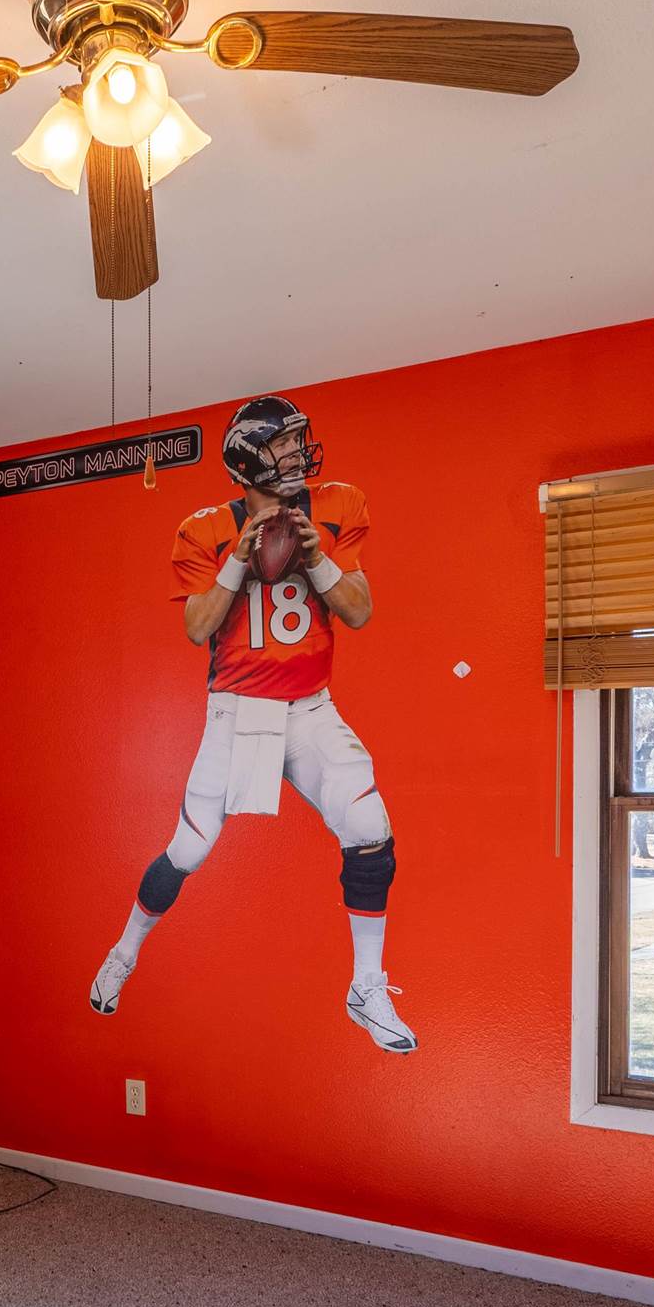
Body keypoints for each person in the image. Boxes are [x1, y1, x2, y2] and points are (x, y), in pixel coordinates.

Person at [89, 394, 415, 1052]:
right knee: (189, 849)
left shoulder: (337, 505)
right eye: (284, 443)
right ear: (247, 460)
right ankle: (124, 951)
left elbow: (357, 612)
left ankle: (366, 986)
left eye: (298, 439)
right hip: (238, 710)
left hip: (311, 706)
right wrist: (238, 558)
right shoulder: (206, 528)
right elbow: (197, 627)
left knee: (369, 826)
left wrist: (317, 557)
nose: (298, 451)